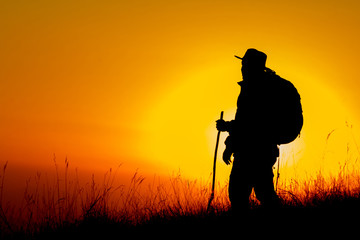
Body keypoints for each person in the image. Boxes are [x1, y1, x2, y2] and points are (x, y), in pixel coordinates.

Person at [216, 48, 281, 213]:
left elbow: (249, 125)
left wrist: (227, 129)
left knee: (240, 196)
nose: (242, 68)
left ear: (252, 66)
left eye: (245, 64)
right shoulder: (258, 87)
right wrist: (230, 145)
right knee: (264, 194)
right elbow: (244, 123)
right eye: (242, 64)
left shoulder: (256, 89)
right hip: (262, 152)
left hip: (252, 153)